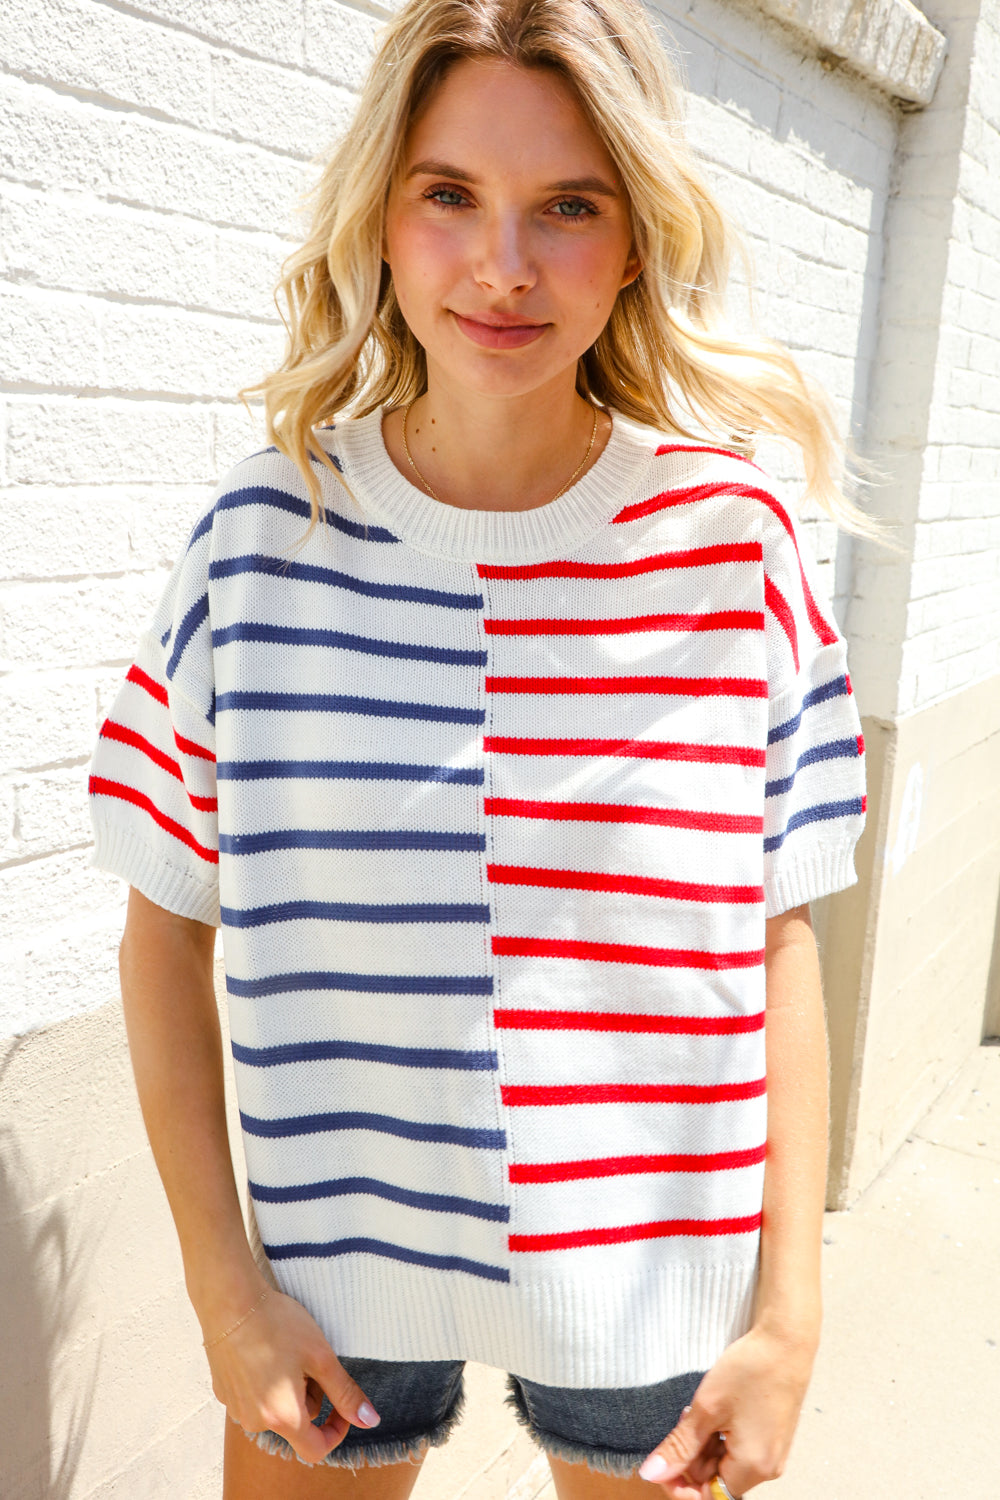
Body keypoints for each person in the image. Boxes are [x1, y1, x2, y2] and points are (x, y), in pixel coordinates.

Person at [88, 1, 870, 1495]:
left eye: (567, 207)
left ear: (637, 238)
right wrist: (219, 1284)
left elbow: (775, 936)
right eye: (450, 194)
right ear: (381, 219)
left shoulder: (734, 549)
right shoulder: (264, 543)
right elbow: (160, 927)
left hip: (658, 1270)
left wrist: (790, 1319)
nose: (504, 265)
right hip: (332, 1270)